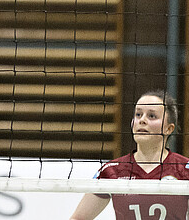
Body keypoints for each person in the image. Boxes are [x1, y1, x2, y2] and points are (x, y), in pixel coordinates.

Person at [69, 91, 189, 220]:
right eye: (138, 114)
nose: (142, 120)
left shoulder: (185, 169)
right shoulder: (112, 170)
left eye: (152, 116)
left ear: (168, 129)